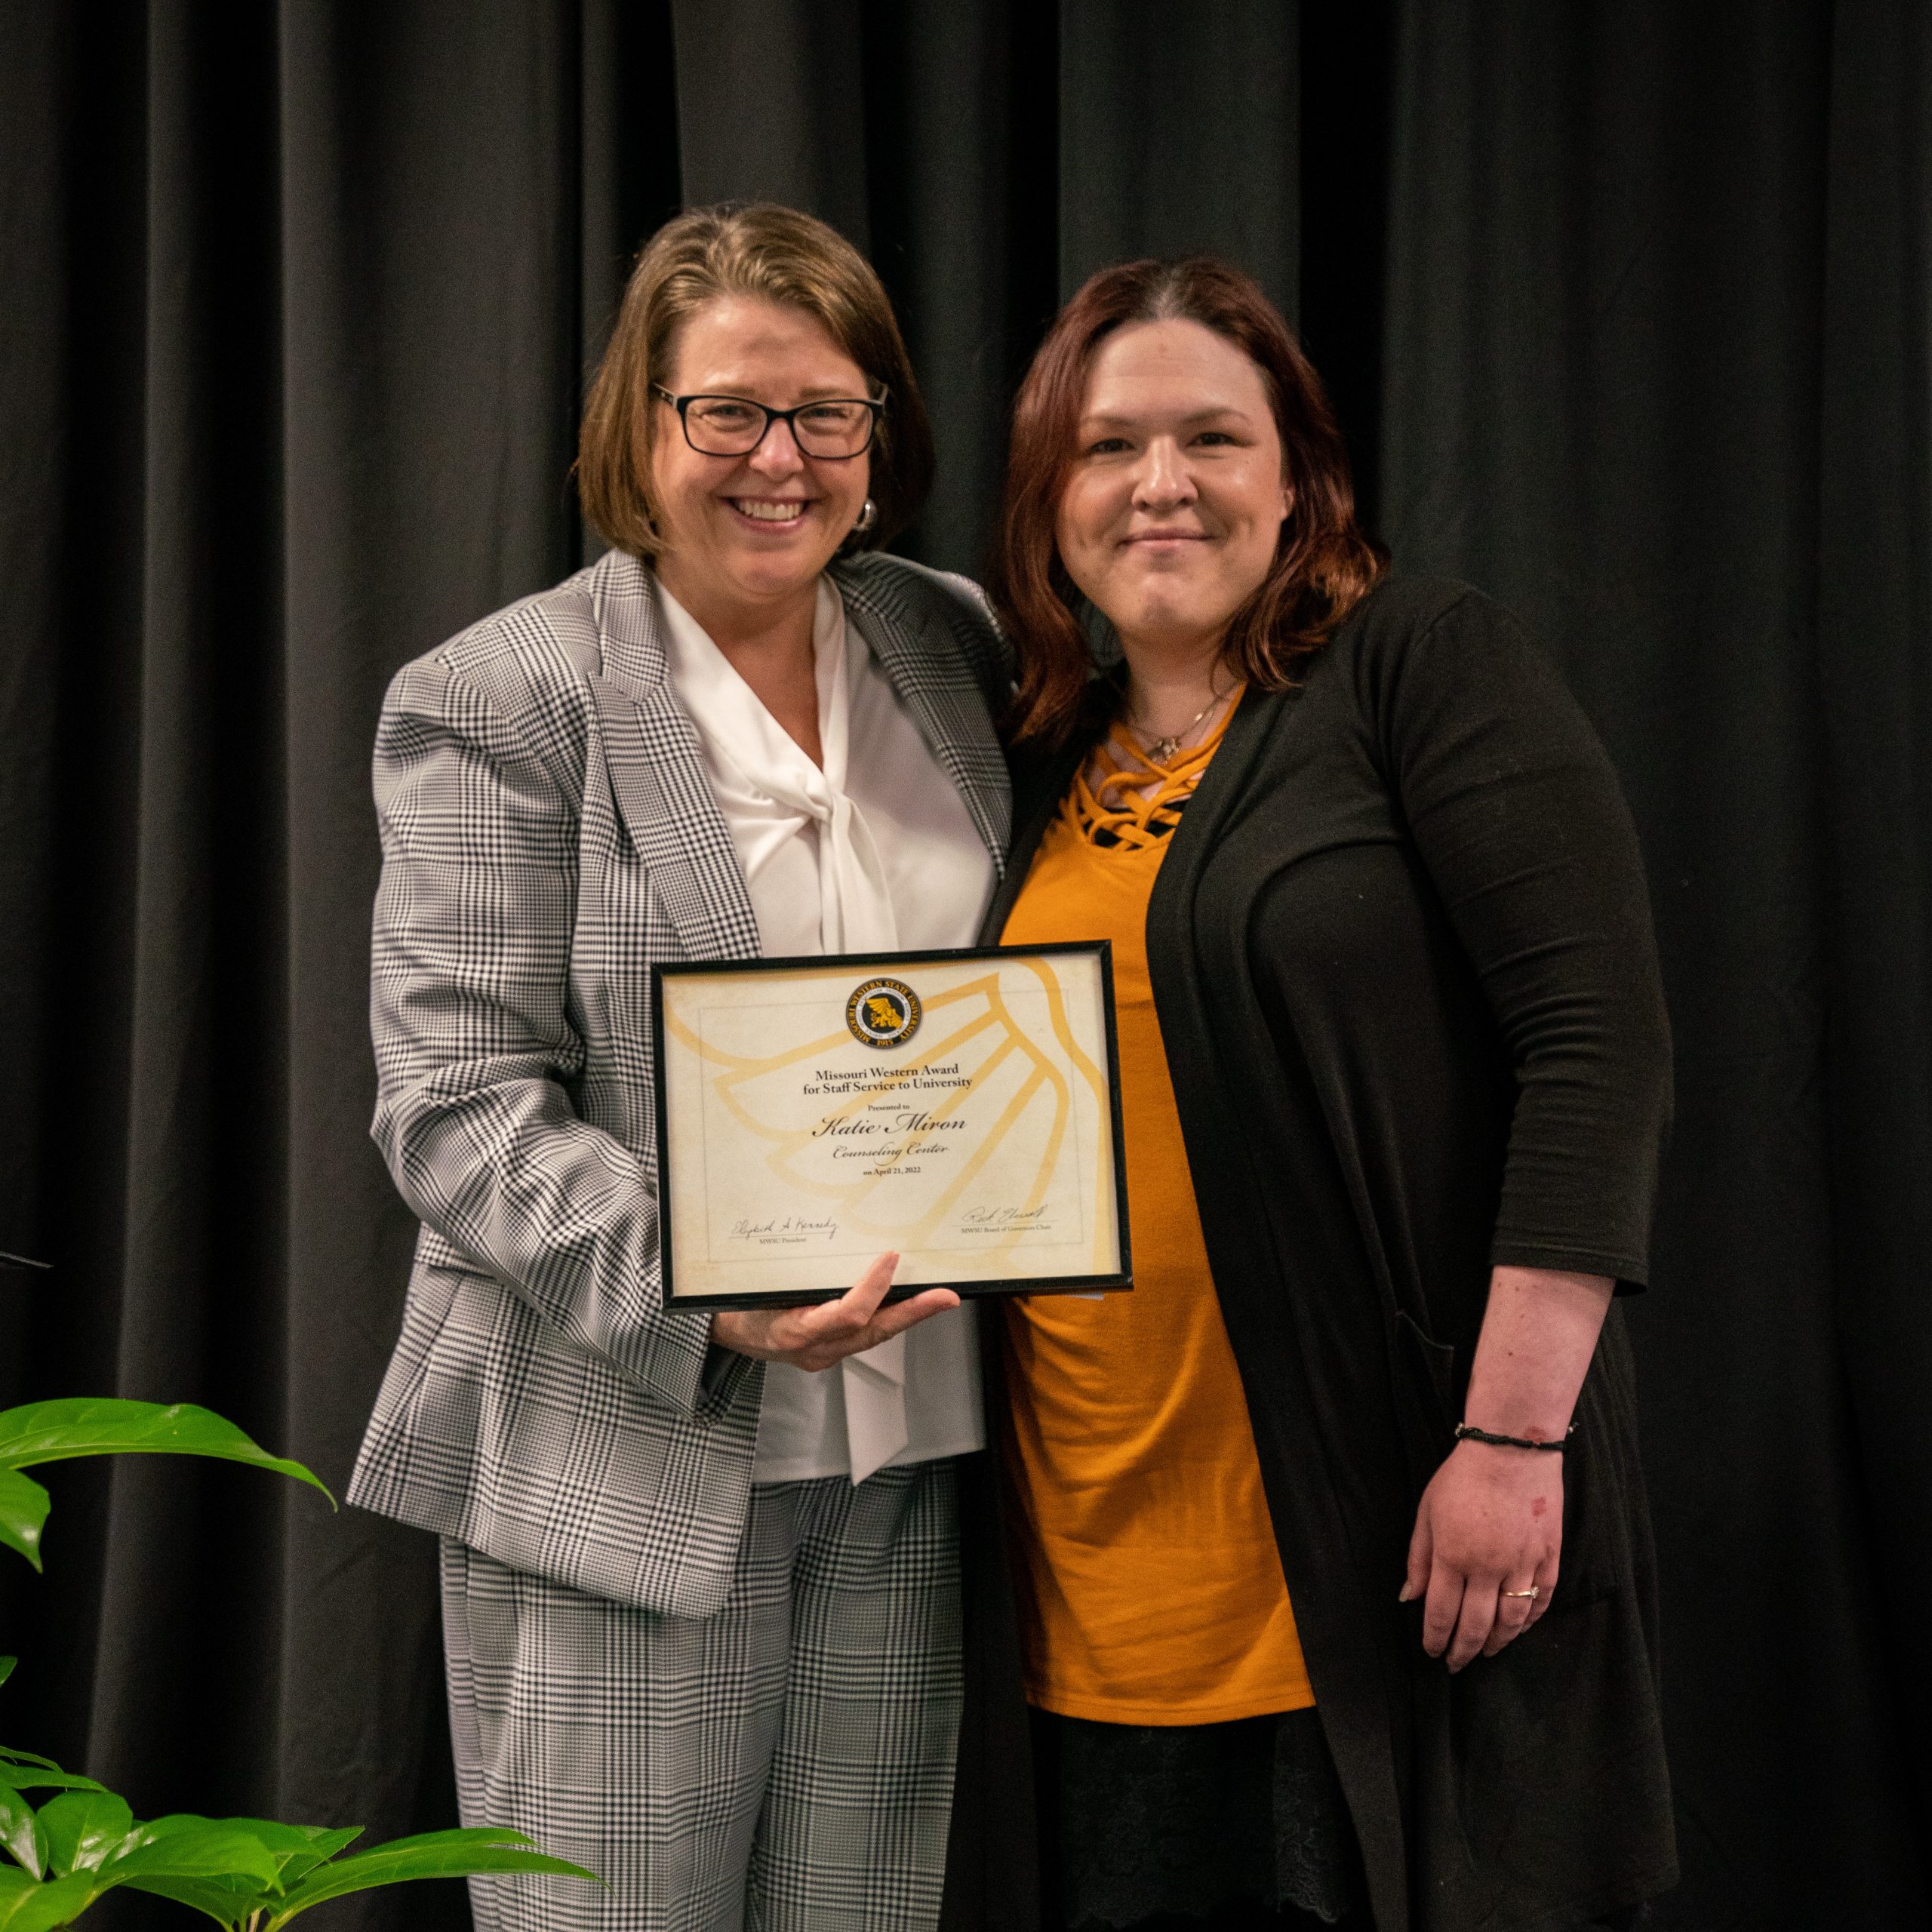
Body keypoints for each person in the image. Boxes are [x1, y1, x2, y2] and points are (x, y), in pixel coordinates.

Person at [952, 257, 1675, 1932]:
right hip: (1087, 1558)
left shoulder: (1413, 665)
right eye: (1107, 445)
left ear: (1298, 482)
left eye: (1212, 437)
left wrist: (1512, 1434)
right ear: (1048, 497)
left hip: (1382, 1524)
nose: (1160, 483)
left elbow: (1597, 1044)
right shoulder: (1028, 752)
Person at [346, 203, 1013, 1932]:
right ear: (639, 430)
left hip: (913, 1458)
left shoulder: (950, 645)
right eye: (726, 410)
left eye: (825, 412)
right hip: (625, 1464)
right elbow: (454, 1098)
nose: (778, 458)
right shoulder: (503, 694)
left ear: (877, 431)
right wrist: (713, 1290)